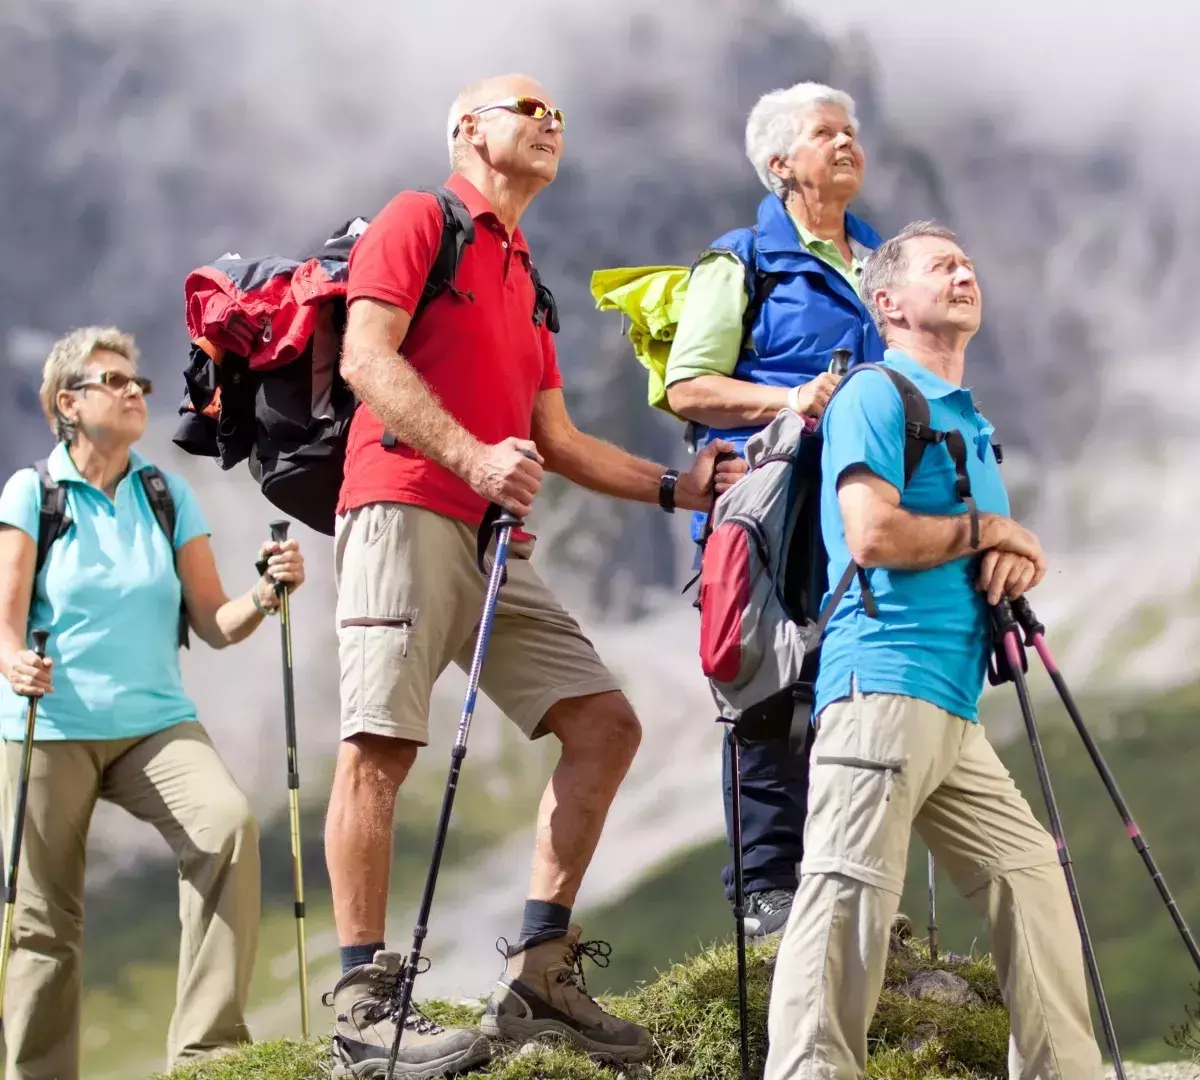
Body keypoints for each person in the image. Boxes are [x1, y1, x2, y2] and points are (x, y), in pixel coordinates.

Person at [323, 73, 746, 1078]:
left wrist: (675, 491)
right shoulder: (420, 219)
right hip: (402, 506)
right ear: (466, 128)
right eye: (527, 108)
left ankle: (539, 977)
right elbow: (365, 358)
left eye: (559, 113)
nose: (550, 122)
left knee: (605, 724)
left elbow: (554, 436)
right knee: (380, 742)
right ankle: (361, 1010)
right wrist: (471, 457)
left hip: (487, 539)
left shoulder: (526, 273)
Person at [764, 222, 1104, 1079]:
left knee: (1030, 881)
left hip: (951, 706)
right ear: (887, 302)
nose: (964, 272)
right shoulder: (877, 394)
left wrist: (1008, 554)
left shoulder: (970, 424)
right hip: (878, 679)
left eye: (968, 262)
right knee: (845, 901)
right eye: (941, 265)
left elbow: (975, 548)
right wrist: (990, 527)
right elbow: (872, 534)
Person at [0, 327, 307, 1080]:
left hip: (153, 725)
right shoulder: (31, 492)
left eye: (137, 382)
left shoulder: (166, 494)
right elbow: (4, 622)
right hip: (52, 725)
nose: (136, 392)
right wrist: (14, 662)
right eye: (114, 381)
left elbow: (214, 622)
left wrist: (268, 593)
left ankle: (207, 1058)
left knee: (225, 828)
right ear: (68, 403)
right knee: (43, 924)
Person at [664, 82, 882, 937]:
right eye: (827, 133)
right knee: (766, 686)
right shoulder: (740, 258)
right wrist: (793, 399)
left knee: (853, 684)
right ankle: (765, 890)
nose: (848, 143)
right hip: (773, 503)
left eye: (853, 132)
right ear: (781, 164)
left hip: (865, 503)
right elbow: (690, 386)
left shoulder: (882, 261)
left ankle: (846, 884)